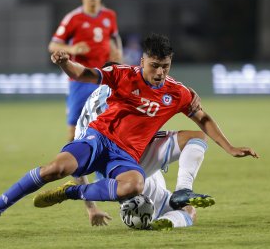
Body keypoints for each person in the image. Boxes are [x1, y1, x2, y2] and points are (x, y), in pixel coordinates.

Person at [0, 33, 258, 229]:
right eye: (154, 65)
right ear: (142, 61)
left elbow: (202, 118)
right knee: (54, 168)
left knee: (133, 186)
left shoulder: (177, 93)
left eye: (165, 66)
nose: (160, 72)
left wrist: (230, 147)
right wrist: (65, 64)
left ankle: (73, 193)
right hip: (98, 140)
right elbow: (84, 73)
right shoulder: (123, 74)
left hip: (127, 155)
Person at [72, 77, 212, 229]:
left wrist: (91, 209)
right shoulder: (127, 89)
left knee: (154, 191)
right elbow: (161, 88)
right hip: (132, 163)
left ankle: (155, 209)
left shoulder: (88, 111)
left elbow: (76, 164)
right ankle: (172, 211)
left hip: (114, 178)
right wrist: (187, 93)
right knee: (189, 210)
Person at [48, 0, 122, 141]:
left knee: (110, 125)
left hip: (104, 77)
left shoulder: (110, 16)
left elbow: (113, 38)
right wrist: (72, 49)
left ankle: (104, 162)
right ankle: (72, 163)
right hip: (80, 78)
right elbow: (53, 45)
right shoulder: (73, 18)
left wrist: (117, 52)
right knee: (73, 129)